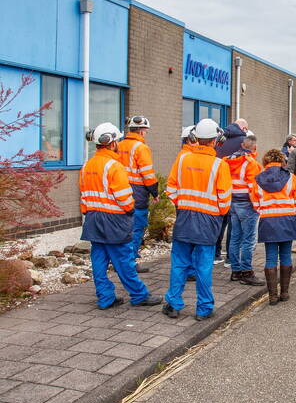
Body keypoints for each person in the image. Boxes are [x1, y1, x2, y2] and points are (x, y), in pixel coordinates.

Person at [80, 123, 160, 309]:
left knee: (99, 261)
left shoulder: (87, 165)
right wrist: (130, 210)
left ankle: (106, 297)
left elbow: (83, 195)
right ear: (112, 142)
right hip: (114, 220)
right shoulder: (114, 166)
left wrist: (89, 211)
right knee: (123, 260)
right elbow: (124, 197)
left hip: (93, 218)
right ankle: (139, 295)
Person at [163, 118, 233, 320]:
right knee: (203, 267)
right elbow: (224, 200)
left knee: (179, 264)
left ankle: (174, 305)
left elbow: (171, 190)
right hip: (208, 221)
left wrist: (184, 204)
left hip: (184, 217)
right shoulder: (220, 165)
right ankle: (203, 308)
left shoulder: (183, 159)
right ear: (215, 140)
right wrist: (215, 213)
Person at [252, 148, 296, 305]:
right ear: (282, 161)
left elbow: (255, 202)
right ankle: (285, 293)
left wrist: (265, 211)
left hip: (268, 221)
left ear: (265, 161)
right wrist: (289, 209)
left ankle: (272, 296)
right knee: (286, 255)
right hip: (287, 219)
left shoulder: (258, 179)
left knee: (270, 257)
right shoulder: (291, 177)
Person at [116, 115, 159, 272]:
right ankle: (130, 262)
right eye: (145, 132)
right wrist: (155, 192)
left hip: (121, 190)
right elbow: (147, 174)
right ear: (141, 132)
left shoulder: (119, 145)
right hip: (137, 192)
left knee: (124, 226)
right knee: (137, 227)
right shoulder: (141, 148)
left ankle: (121, 259)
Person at [224, 134, 263, 286]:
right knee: (248, 240)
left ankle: (236, 271)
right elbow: (253, 187)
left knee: (235, 238)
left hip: (233, 202)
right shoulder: (250, 163)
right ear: (254, 147)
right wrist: (257, 206)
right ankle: (247, 272)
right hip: (247, 204)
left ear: (242, 145)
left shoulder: (227, 160)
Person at [214, 119, 247, 264]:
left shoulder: (219, 139)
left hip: (217, 183)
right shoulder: (243, 140)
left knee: (220, 221)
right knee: (233, 225)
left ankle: (215, 255)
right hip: (235, 187)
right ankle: (230, 258)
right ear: (243, 128)